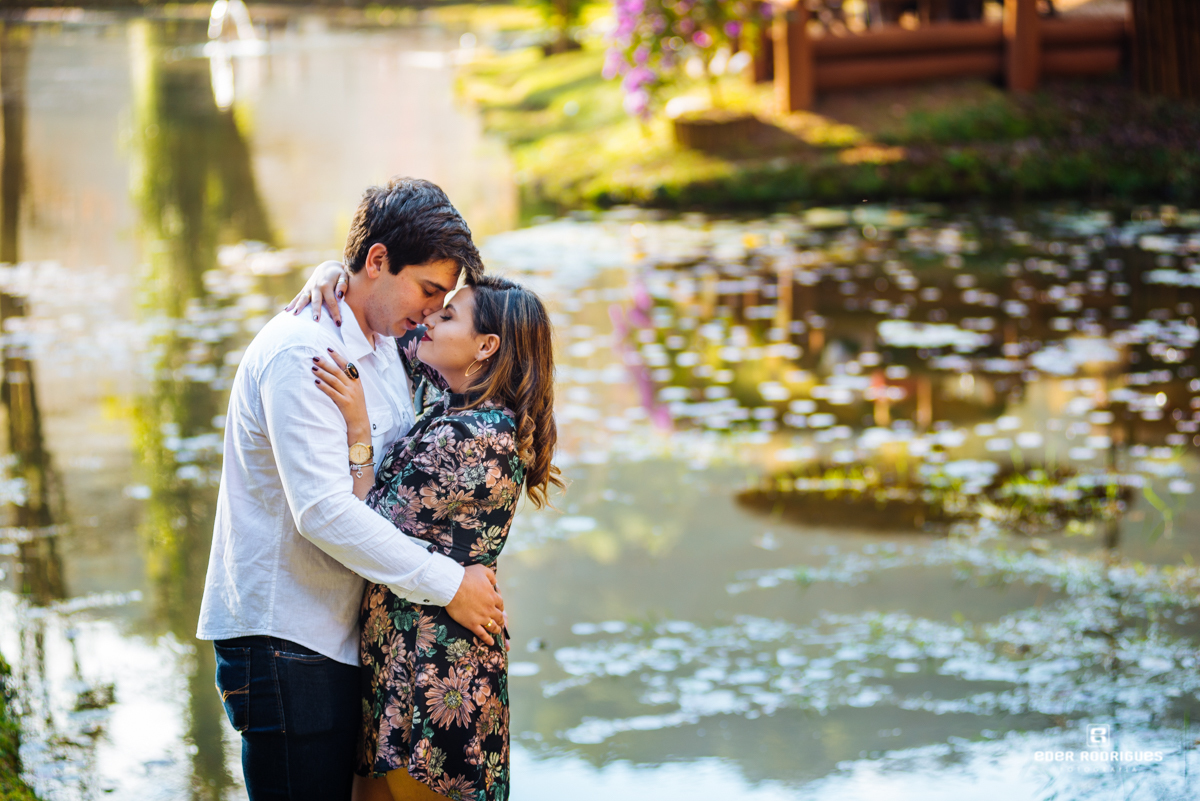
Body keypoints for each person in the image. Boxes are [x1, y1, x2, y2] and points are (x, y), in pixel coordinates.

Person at [196, 178, 507, 801]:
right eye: (428, 289)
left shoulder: (386, 343)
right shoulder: (303, 351)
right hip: (285, 642)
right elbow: (323, 512)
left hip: (338, 641)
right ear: (377, 261)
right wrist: (450, 586)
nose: (432, 307)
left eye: (444, 297)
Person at [308, 274, 561, 801]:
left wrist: (358, 430)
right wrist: (335, 273)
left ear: (486, 346)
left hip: (434, 678)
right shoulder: (450, 404)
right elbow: (380, 310)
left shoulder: (474, 437)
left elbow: (366, 524)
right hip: (403, 663)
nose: (428, 320)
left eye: (447, 317)